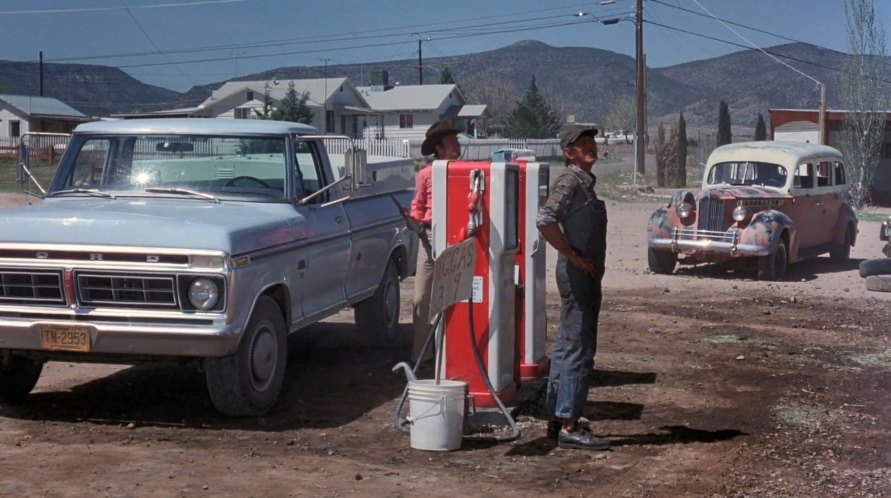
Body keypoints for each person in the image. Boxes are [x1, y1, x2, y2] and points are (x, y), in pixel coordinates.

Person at [536, 124, 610, 451]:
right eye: (582, 144)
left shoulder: (583, 183)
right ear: (569, 152)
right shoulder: (570, 181)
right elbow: (545, 220)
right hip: (578, 276)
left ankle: (557, 416)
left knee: (568, 346)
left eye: (591, 141)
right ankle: (569, 424)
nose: (589, 147)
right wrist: (573, 257)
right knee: (579, 348)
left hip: (582, 275)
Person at [410, 118, 462, 362]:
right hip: (429, 236)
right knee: (422, 298)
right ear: (439, 149)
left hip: (457, 237)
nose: (457, 145)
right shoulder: (425, 175)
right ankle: (422, 355)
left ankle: (450, 354)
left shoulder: (467, 173)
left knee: (453, 297)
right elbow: (417, 206)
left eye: (457, 140)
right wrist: (416, 222)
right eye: (452, 141)